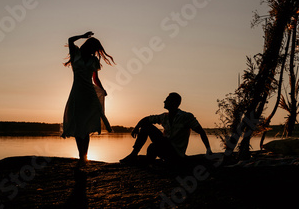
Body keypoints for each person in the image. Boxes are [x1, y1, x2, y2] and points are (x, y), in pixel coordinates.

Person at [61, 31, 115, 168]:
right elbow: (70, 39)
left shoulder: (93, 60)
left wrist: (103, 89)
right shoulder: (76, 54)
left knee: (85, 127)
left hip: (90, 94)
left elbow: (95, 78)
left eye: (95, 49)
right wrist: (82, 36)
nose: (94, 51)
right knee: (79, 126)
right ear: (87, 46)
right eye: (93, 48)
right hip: (77, 93)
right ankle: (81, 156)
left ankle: (84, 157)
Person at [120, 92, 212, 164]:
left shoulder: (186, 117)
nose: (164, 101)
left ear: (174, 103)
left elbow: (201, 132)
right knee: (148, 134)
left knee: (152, 141)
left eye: (167, 100)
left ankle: (136, 156)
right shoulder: (164, 117)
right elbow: (146, 119)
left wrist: (208, 150)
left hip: (176, 153)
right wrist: (136, 128)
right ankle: (137, 156)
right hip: (164, 149)